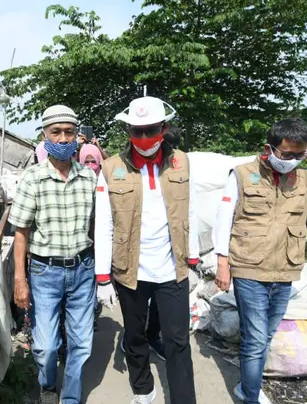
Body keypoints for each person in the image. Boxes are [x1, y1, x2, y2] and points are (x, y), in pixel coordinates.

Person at [212, 118, 307, 404]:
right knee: (258, 338)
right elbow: (224, 221)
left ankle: (247, 382)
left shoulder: (306, 179)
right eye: (286, 154)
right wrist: (222, 263)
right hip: (248, 266)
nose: (292, 161)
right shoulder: (242, 175)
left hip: (286, 268)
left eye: (300, 154)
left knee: (265, 335)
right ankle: (250, 395)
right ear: (269, 148)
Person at [94, 96, 199, 404]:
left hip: (171, 269)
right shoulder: (111, 168)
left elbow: (189, 211)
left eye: (150, 130)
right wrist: (103, 279)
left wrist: (192, 261)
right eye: (136, 131)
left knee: (178, 341)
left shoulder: (182, 161)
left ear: (163, 128)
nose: (143, 138)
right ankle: (143, 389)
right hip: (131, 270)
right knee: (135, 336)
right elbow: (104, 225)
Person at [10, 105, 98, 404]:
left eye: (69, 132)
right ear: (45, 136)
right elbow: (20, 233)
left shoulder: (89, 179)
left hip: (83, 269)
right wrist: (20, 280)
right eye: (56, 132)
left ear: (78, 136)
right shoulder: (33, 179)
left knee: (81, 343)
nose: (63, 139)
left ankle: (70, 397)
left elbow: (99, 227)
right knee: (46, 346)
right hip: (45, 273)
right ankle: (47, 384)